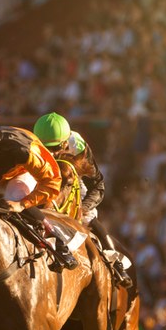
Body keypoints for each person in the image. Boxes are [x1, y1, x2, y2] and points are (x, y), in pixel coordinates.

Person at [0, 102, 78, 271]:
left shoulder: (20, 148)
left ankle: (58, 239)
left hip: (21, 174)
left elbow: (52, 181)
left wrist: (22, 204)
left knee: (11, 198)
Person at [33, 112, 133, 288]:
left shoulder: (78, 146)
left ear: (66, 143)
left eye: (56, 147)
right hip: (44, 183)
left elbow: (98, 185)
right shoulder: (31, 146)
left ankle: (116, 264)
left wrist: (83, 207)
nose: (51, 153)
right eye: (46, 148)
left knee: (88, 218)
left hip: (73, 180)